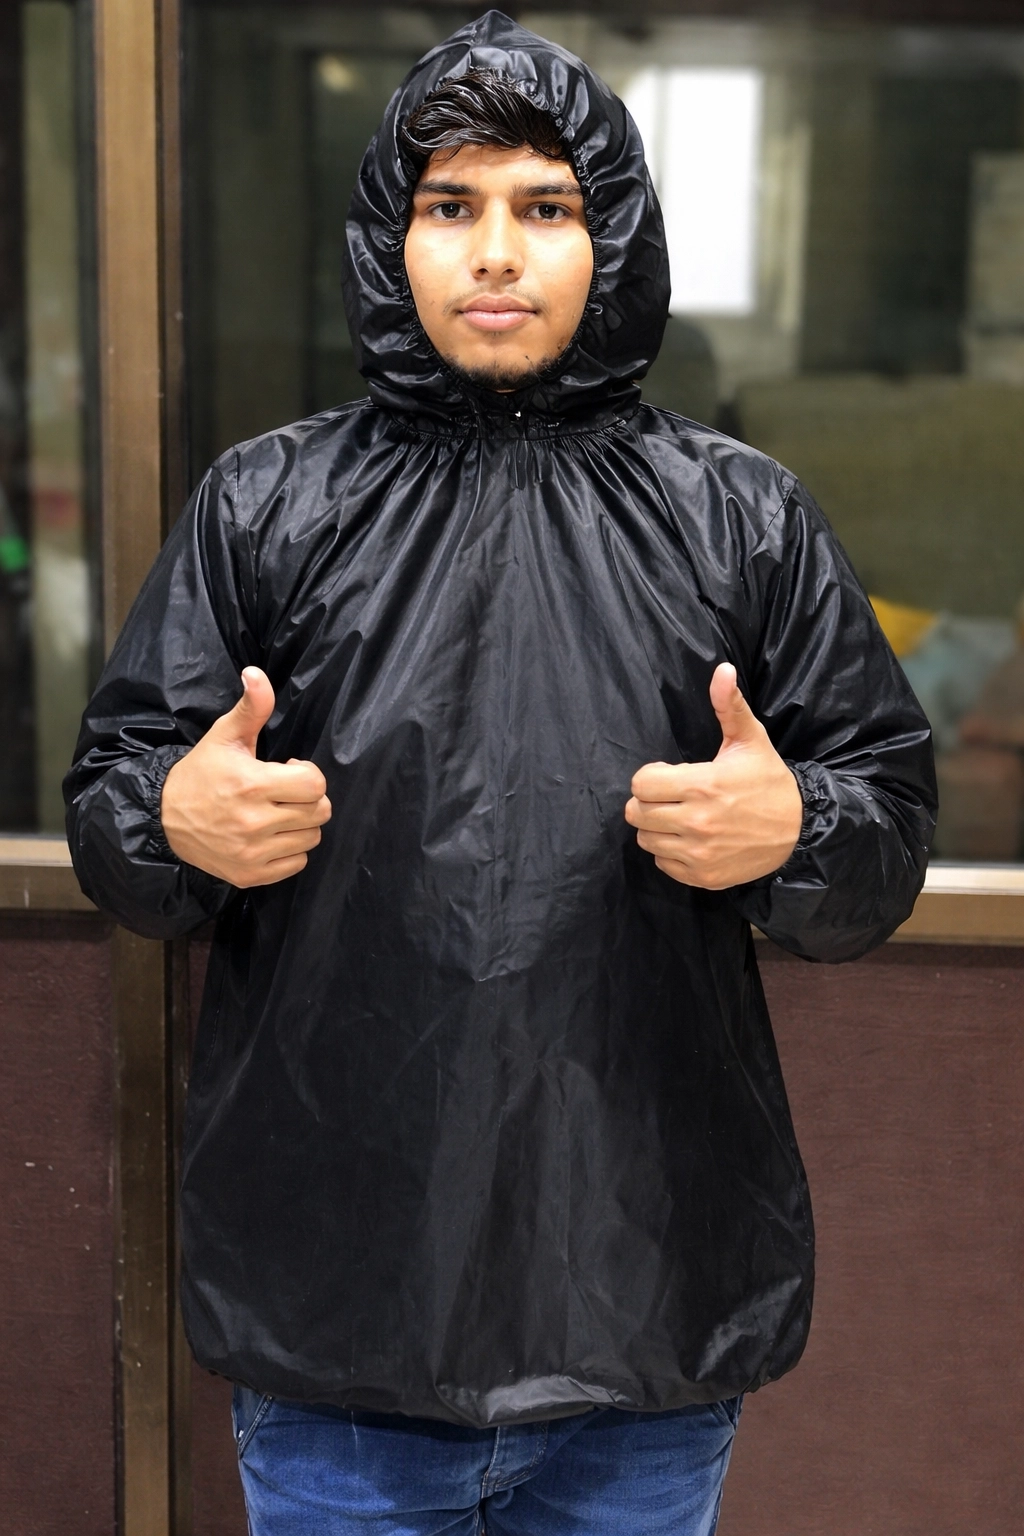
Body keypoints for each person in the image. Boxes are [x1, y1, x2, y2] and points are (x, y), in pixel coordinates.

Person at [64, 12, 936, 1534]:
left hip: (643, 1315)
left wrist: (800, 827)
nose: (494, 252)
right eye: (449, 205)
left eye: (545, 207)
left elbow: (886, 825)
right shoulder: (267, 508)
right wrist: (171, 819)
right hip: (343, 1327)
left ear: (614, 237)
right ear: (389, 240)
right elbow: (117, 800)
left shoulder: (741, 520)